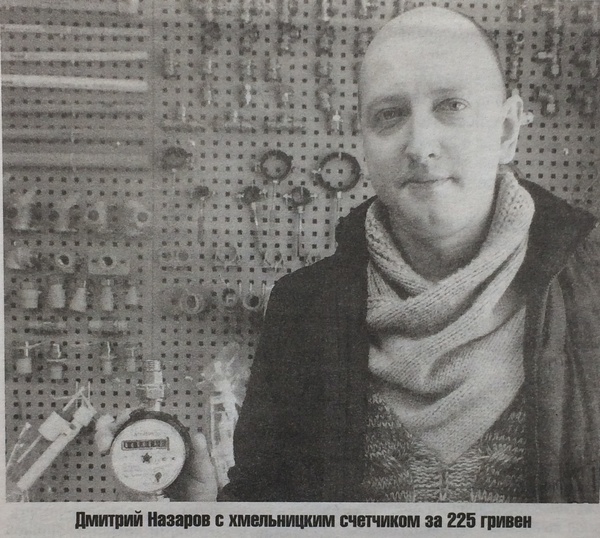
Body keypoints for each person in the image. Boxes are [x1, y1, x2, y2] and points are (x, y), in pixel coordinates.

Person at [113, 6, 600, 502]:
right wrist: (205, 519)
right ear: (364, 141)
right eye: (390, 115)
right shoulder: (302, 309)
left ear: (507, 130)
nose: (420, 144)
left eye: (452, 105)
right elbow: (265, 508)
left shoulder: (593, 291)